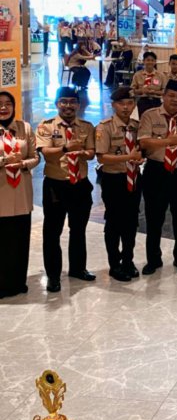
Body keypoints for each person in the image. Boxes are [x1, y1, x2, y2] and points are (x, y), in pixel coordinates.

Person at [35, 87, 96, 293]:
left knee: (78, 230)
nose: (68, 105)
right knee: (52, 232)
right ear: (56, 104)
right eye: (63, 101)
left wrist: (84, 152)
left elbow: (91, 153)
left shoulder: (86, 127)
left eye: (72, 101)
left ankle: (78, 268)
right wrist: (65, 148)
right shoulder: (46, 127)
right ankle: (53, 275)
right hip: (56, 185)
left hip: (80, 184)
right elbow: (46, 153)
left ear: (78, 104)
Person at [138, 80, 177, 275]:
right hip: (156, 170)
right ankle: (153, 259)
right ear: (163, 95)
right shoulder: (149, 114)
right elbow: (144, 142)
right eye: (171, 96)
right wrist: (168, 141)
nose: (175, 100)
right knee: (154, 217)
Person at [95, 87, 144, 282]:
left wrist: (139, 159)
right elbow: (102, 157)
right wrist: (128, 157)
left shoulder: (135, 125)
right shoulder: (105, 127)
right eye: (121, 103)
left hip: (133, 177)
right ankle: (115, 264)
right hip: (113, 179)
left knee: (131, 221)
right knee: (115, 221)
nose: (126, 107)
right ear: (113, 105)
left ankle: (128, 260)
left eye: (130, 103)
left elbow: (141, 150)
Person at [0, 91, 39, 298]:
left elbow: (35, 157)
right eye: (0, 104)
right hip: (1, 193)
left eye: (8, 103)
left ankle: (17, 281)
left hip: (21, 191)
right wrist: (4, 161)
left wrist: (22, 163)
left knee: (20, 239)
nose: (4, 107)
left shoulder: (24, 128)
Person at [131, 51, 166, 115]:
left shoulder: (161, 75)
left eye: (152, 60)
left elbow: (165, 91)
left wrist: (154, 92)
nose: (150, 62)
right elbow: (132, 91)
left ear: (155, 62)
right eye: (148, 60)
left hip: (156, 101)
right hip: (142, 100)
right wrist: (141, 91)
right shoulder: (137, 75)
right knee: (143, 120)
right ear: (144, 61)